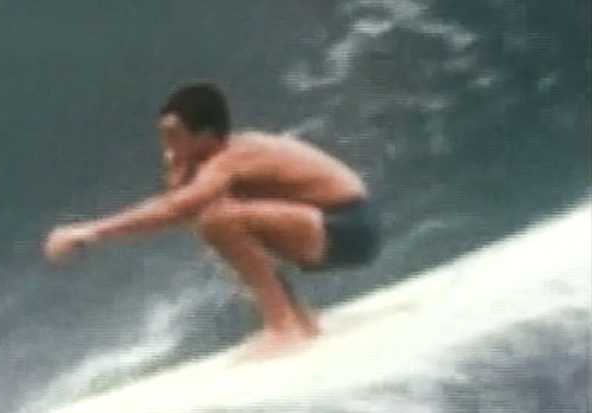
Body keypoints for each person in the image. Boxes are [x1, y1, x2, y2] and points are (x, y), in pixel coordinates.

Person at [43, 82, 380, 356]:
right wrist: (179, 171)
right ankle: (301, 322)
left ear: (205, 134)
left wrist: (90, 232)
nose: (166, 144)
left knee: (219, 221)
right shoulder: (212, 165)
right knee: (216, 222)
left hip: (350, 227)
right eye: (163, 134)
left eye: (174, 134)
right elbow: (184, 205)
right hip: (325, 228)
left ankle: (283, 328)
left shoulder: (234, 156)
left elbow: (178, 208)